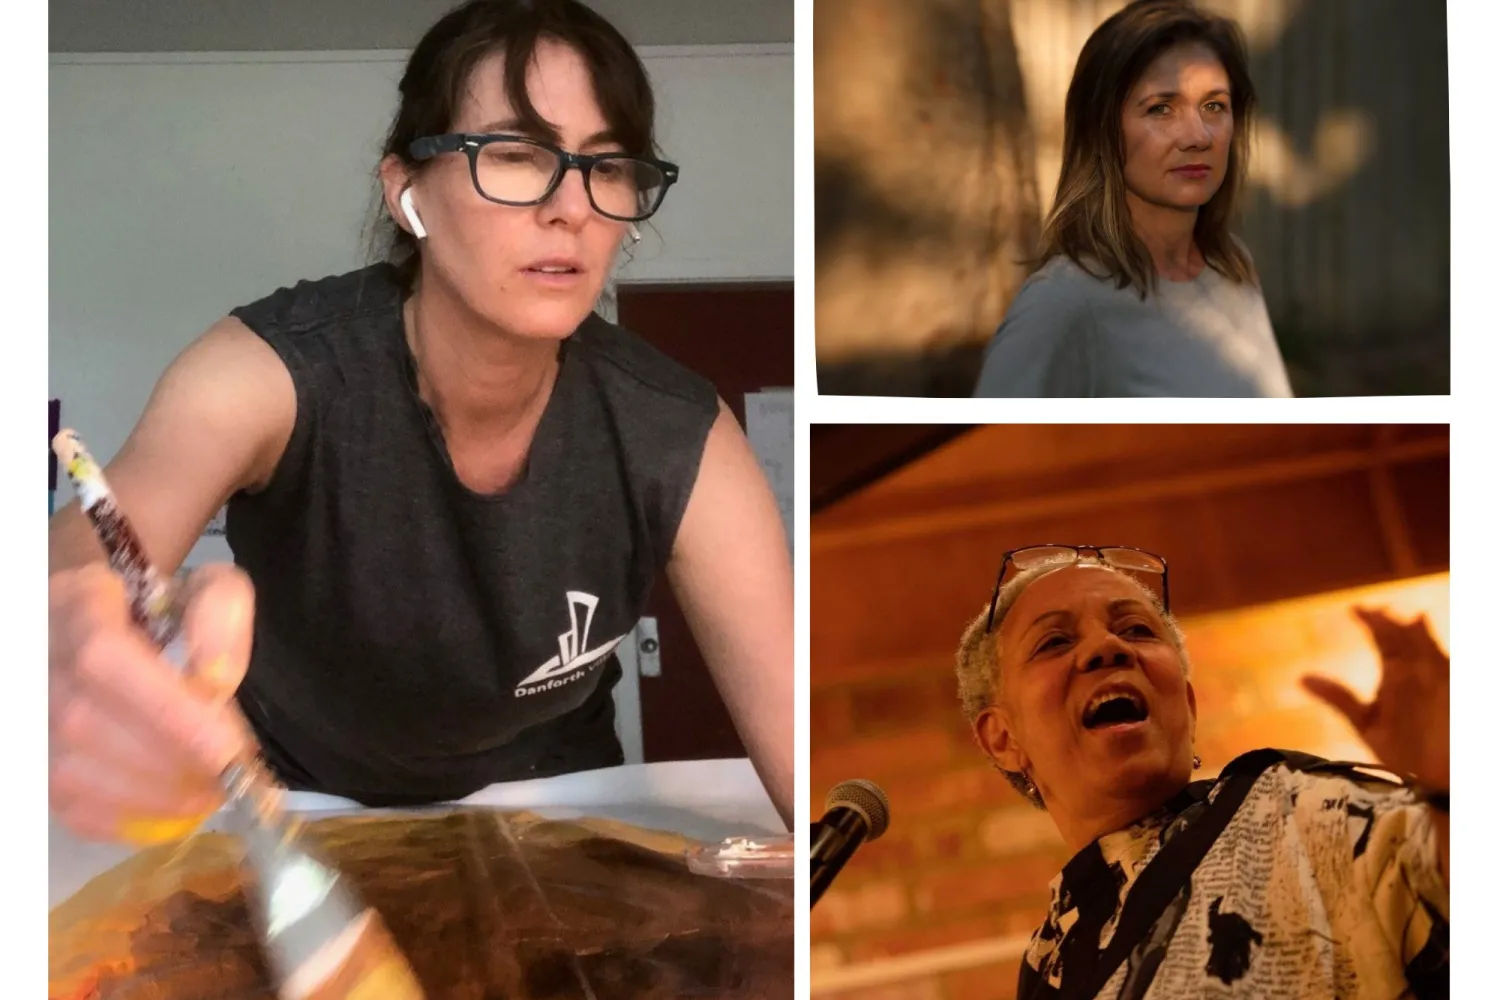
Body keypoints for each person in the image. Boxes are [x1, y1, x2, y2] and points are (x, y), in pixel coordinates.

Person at [47, 0, 793, 843]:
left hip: (556, 802)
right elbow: (78, 566)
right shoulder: (268, 373)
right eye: (514, 155)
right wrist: (67, 632)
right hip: (297, 803)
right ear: (407, 193)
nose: (573, 207)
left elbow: (807, 746)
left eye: (608, 165)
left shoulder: (677, 431)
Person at [955, 545, 1448, 999]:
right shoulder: (1047, 964)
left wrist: (1450, 782)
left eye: (1137, 630)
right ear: (1002, 738)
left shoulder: (1296, 811)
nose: (1107, 646)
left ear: (1187, 707)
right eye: (1055, 641)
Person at [972, 0, 1293, 398]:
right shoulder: (1063, 305)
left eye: (1214, 106)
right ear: (1102, 130)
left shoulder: (1232, 266)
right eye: (1161, 108)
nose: (1198, 136)